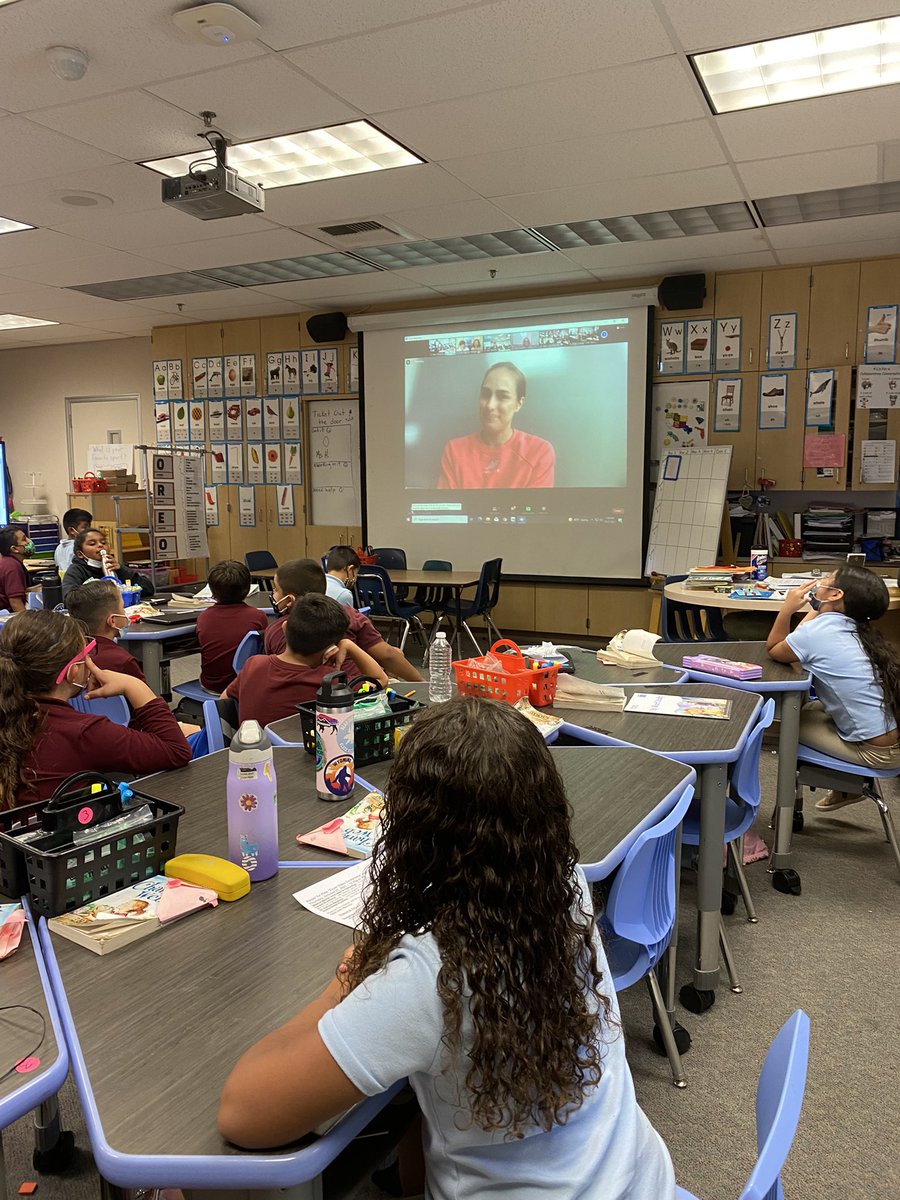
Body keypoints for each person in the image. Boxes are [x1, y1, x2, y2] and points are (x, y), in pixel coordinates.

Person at [218, 699, 674, 1199]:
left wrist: (343, 987)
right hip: (639, 1179)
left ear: (411, 833)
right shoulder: (563, 883)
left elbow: (243, 1114)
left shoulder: (433, 975)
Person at [0, 610, 191, 808]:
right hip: (59, 837)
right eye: (87, 655)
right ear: (73, 672)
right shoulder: (82, 732)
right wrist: (134, 686)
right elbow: (176, 751)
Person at [767, 565, 900, 810]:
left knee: (772, 726)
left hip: (875, 753)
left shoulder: (821, 631)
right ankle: (845, 788)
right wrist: (815, 608)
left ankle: (787, 815)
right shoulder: (850, 626)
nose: (821, 582)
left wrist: (787, 609)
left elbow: (776, 648)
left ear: (836, 594)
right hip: (889, 740)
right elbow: (799, 640)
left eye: (828, 579)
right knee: (809, 709)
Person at [224, 594, 387, 728]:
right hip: (307, 761)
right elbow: (381, 680)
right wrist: (349, 645)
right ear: (330, 651)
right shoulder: (331, 683)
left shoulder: (254, 664)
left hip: (254, 757)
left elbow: (224, 700)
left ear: (284, 628)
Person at [265, 558, 423, 682]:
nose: (273, 594)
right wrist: (423, 684)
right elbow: (387, 655)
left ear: (290, 599)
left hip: (307, 700)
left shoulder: (274, 630)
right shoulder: (349, 615)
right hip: (360, 690)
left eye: (276, 589)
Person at [437, 362, 555, 489]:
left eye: (502, 396)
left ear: (518, 404)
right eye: (486, 394)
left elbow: (535, 507)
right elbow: (448, 507)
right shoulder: (455, 451)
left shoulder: (539, 452)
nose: (490, 405)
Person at [196, 560, 268, 693]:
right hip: (246, 684)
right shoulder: (258, 616)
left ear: (212, 592)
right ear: (247, 590)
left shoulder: (203, 617)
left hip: (212, 686)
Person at [64, 579, 145, 680]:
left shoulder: (66, 652)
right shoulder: (123, 661)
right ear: (112, 620)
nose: (125, 613)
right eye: (123, 608)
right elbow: (145, 694)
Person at [62, 528, 154, 600]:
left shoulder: (115, 567)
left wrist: (122, 570)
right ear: (80, 554)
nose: (100, 545)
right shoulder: (76, 570)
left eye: (103, 542)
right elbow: (69, 598)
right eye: (92, 544)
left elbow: (149, 589)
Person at [0, 526, 32, 613]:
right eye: (24, 539)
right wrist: (28, 624)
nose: (29, 541)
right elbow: (15, 602)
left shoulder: (7, 561)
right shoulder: (12, 567)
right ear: (14, 549)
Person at [54, 507, 93, 574]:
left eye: (89, 527)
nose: (89, 531)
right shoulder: (79, 548)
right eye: (85, 527)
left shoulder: (59, 548)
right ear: (72, 530)